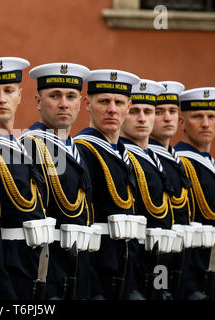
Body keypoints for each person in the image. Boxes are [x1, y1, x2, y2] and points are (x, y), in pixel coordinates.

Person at [0, 57, 49, 299]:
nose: (2, 99)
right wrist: (0, 289)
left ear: (20, 95)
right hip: (7, 272)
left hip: (35, 268)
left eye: (8, 90)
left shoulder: (24, 147)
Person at [19, 62, 95, 300]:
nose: (64, 104)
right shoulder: (29, 146)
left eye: (71, 96)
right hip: (49, 276)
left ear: (80, 103)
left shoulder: (77, 149)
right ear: (38, 102)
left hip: (78, 272)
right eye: (55, 96)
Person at [74, 69, 142, 300]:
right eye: (104, 101)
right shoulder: (82, 150)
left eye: (119, 102)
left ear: (128, 106)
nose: (112, 109)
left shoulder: (125, 155)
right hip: (96, 276)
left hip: (125, 272)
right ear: (87, 103)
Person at [120, 79, 175, 300]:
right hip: (135, 263)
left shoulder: (153, 159)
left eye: (149, 111)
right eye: (134, 111)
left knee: (160, 294)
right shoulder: (123, 157)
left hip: (160, 259)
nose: (143, 118)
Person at [175, 87, 215, 300]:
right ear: (183, 123)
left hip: (208, 269)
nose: (206, 123)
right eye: (198, 116)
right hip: (188, 275)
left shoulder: (207, 163)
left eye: (211, 116)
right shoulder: (181, 163)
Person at [148, 81, 192, 299]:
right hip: (155, 259)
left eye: (172, 111)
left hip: (178, 259)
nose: (167, 118)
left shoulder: (176, 159)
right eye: (159, 111)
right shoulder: (147, 159)